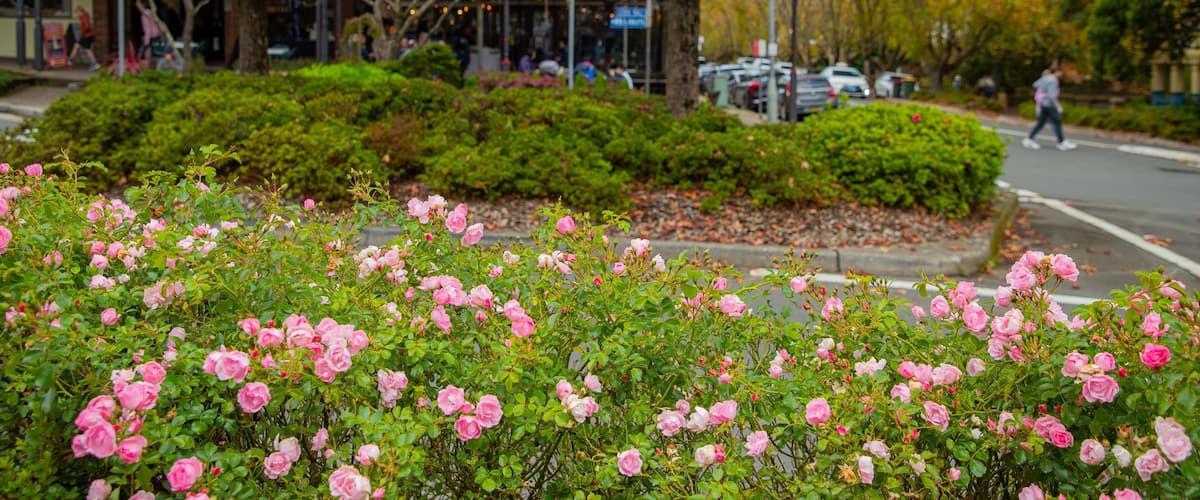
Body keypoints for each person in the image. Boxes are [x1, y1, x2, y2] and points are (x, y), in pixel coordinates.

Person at [1023, 67, 1076, 151]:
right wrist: (1058, 106)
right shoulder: (1054, 80)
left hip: (1043, 104)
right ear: (1056, 72)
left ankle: (1029, 139)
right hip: (1050, 105)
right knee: (1057, 122)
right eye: (1060, 72)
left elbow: (1035, 84)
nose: (1061, 74)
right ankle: (1061, 142)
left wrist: (1043, 92)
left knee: (1041, 123)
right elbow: (1052, 96)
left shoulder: (1045, 78)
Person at [70, 6, 100, 70]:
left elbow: (87, 26)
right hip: (86, 35)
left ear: (80, 11)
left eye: (77, 13)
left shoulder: (84, 17)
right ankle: (70, 60)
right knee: (76, 45)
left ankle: (95, 64)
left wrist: (82, 33)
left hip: (86, 36)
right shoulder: (84, 16)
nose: (77, 14)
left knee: (87, 50)